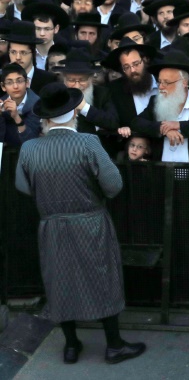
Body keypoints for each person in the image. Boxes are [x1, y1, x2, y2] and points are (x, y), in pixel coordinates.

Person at [15, 82, 146, 364]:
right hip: (90, 221)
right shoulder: (88, 142)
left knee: (59, 281)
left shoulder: (29, 148)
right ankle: (114, 345)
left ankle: (71, 345)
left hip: (51, 224)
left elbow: (22, 186)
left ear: (45, 118)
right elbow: (114, 185)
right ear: (75, 112)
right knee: (103, 277)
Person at [1, 63, 41, 145]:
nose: (15, 86)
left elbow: (32, 141)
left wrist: (16, 117)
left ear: (27, 83)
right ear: (3, 87)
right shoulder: (2, 103)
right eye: (9, 82)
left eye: (19, 81)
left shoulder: (37, 104)